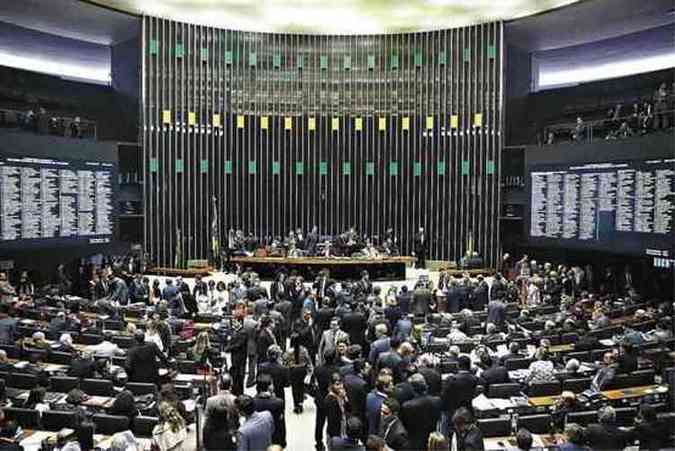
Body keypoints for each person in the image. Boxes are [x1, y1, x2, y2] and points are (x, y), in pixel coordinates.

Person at [400, 374, 442, 450]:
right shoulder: (437, 401)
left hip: (414, 443)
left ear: (412, 388)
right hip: (432, 440)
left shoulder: (406, 406)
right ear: (426, 386)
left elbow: (404, 424)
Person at [253, 374, 286, 448]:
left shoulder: (253, 402)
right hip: (274, 437)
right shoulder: (278, 402)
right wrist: (283, 442)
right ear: (269, 387)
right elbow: (281, 424)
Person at [225, 301, 248, 395]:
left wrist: (228, 348)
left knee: (239, 377)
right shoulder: (237, 332)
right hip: (235, 359)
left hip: (240, 359)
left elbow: (237, 345)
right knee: (235, 377)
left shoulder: (243, 332)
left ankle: (239, 393)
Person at [325, 374, 349, 445]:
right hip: (335, 434)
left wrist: (345, 398)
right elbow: (332, 420)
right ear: (331, 385)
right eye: (337, 384)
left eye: (342, 384)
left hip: (343, 431)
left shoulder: (341, 395)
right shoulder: (330, 399)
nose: (340, 387)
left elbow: (349, 409)